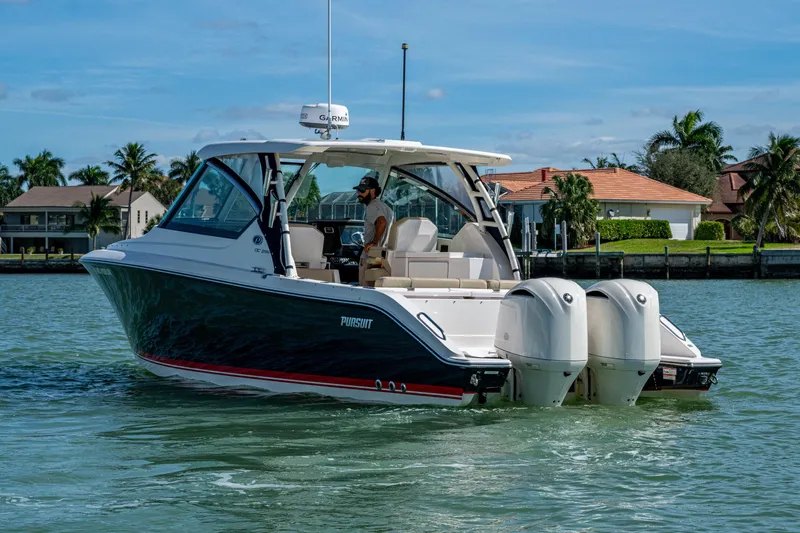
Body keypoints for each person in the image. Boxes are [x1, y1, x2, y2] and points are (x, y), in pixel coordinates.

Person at [354, 175, 394, 286]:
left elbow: (382, 222)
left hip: (370, 257)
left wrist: (374, 242)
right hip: (383, 258)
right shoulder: (386, 207)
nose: (359, 194)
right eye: (358, 190)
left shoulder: (371, 207)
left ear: (372, 191)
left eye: (362, 191)